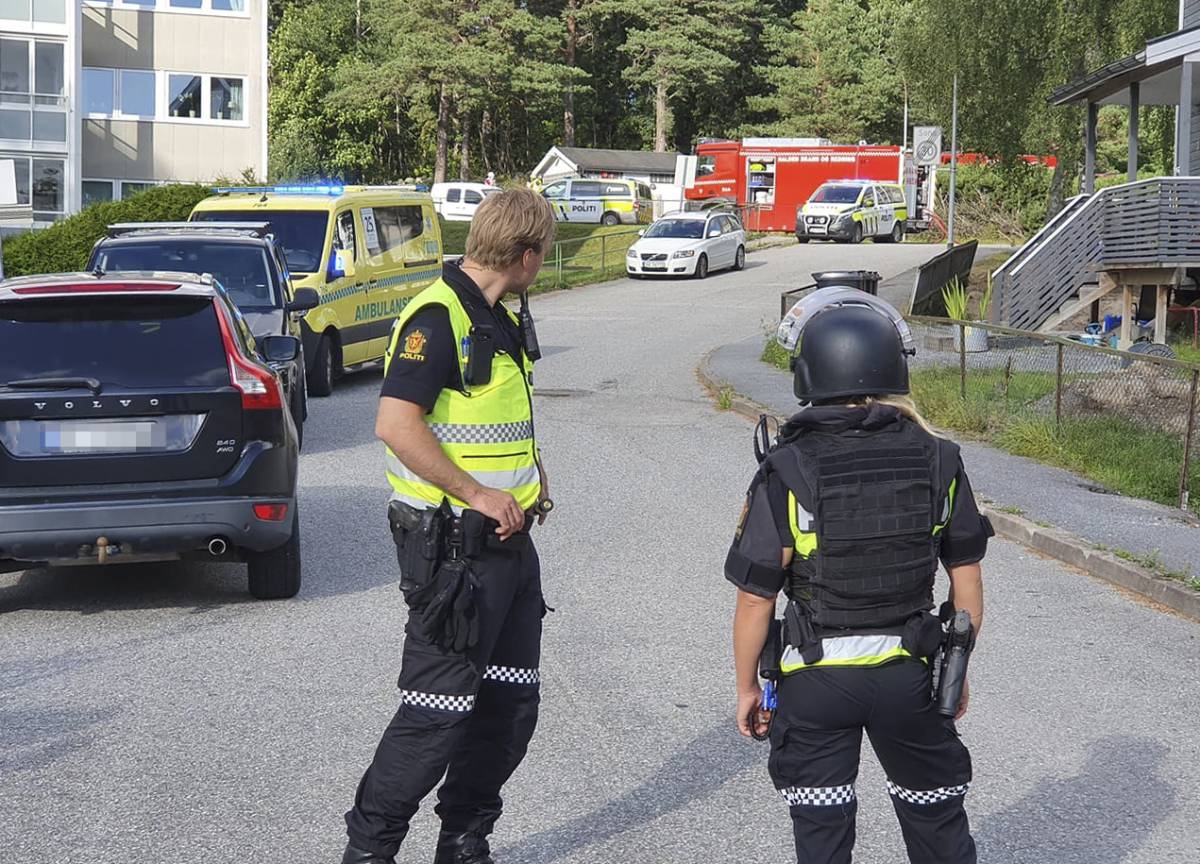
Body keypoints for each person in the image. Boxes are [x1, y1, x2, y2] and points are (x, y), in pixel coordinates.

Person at [726, 289, 993, 864]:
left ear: (809, 375)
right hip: (912, 678)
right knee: (940, 832)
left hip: (817, 682)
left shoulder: (788, 467)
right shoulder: (939, 458)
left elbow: (755, 601)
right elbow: (965, 582)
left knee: (822, 843)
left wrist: (749, 687)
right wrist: (957, 667)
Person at [342, 188, 556, 864]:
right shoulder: (436, 319)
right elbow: (394, 425)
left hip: (510, 551)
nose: (543, 266)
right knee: (435, 716)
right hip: (454, 558)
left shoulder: (492, 315)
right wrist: (477, 493)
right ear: (524, 256)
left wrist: (530, 479)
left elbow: (491, 422)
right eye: (543, 255)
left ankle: (464, 841)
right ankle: (369, 852)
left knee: (508, 712)